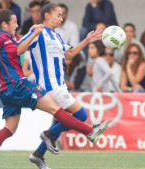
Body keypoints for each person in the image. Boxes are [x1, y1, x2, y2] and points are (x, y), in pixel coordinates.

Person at [0, 9, 108, 169]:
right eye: (14, 22)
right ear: (4, 24)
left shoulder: (11, 38)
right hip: (19, 85)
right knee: (57, 111)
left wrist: (86, 40)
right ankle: (89, 131)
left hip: (6, 90)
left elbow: (66, 53)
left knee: (9, 129)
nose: (16, 25)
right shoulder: (0, 38)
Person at [17, 3, 108, 169]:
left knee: (68, 117)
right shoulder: (38, 31)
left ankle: (38, 153)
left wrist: (87, 41)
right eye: (58, 14)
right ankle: (82, 132)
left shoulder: (57, 36)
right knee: (80, 114)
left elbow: (70, 54)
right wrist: (33, 33)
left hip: (60, 85)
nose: (61, 18)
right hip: (49, 86)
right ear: (46, 16)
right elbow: (18, 49)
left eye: (62, 15)